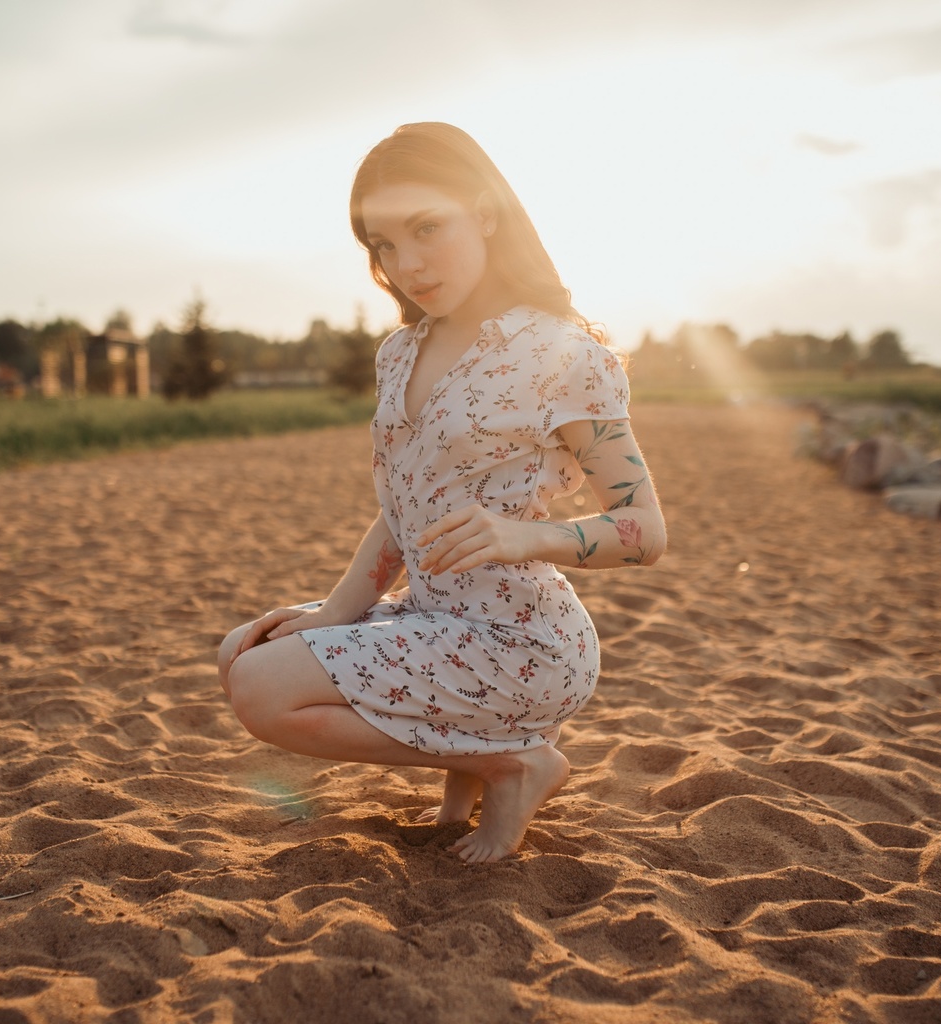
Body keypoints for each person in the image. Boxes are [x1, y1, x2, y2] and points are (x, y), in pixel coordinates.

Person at [218, 122, 665, 863]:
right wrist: (334, 613)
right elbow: (402, 509)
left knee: (263, 690)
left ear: (485, 213)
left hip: (524, 640)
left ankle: (511, 764)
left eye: (427, 228)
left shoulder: (559, 353)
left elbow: (645, 529)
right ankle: (476, 760)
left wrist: (529, 536)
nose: (407, 265)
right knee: (244, 651)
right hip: (430, 619)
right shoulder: (400, 353)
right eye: (383, 245)